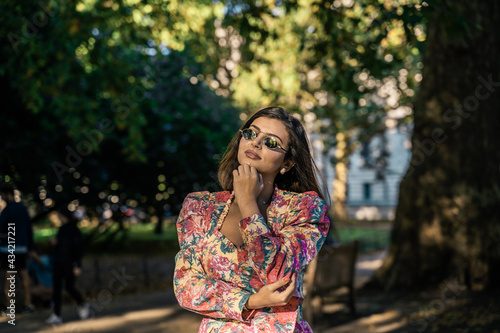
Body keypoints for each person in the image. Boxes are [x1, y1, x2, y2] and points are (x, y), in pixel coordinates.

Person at [174, 106, 331, 332]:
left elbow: (278, 274)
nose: (256, 143)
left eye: (271, 142)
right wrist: (251, 301)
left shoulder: (305, 210)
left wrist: (248, 203)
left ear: (287, 163)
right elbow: (186, 285)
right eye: (250, 133)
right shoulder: (200, 207)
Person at [45, 206, 89, 325]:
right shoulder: (62, 229)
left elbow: (77, 249)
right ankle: (57, 314)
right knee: (57, 289)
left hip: (69, 263)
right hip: (58, 262)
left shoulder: (74, 230)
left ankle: (82, 304)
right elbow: (61, 246)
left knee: (70, 287)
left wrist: (77, 265)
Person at [0, 183, 37, 314]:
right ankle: (28, 304)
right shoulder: (23, 208)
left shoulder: (7, 210)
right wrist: (30, 247)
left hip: (8, 248)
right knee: (23, 276)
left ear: (6, 194)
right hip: (22, 248)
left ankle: (9, 307)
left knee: (9, 278)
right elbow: (29, 229)